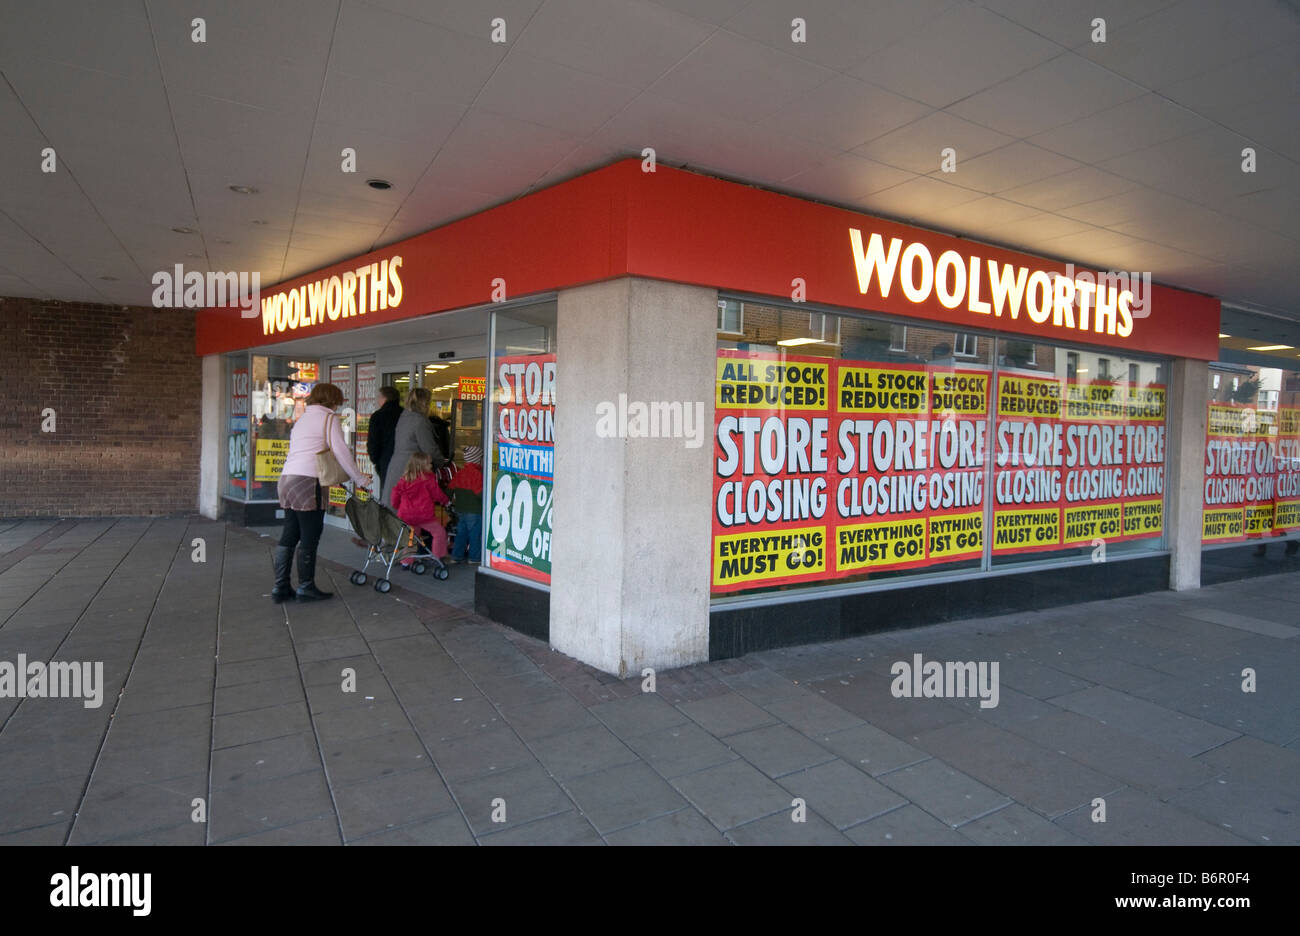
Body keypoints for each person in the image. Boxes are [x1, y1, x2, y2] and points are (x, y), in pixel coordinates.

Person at [273, 382, 368, 602]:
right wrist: (360, 479)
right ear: (331, 400)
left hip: (288, 479)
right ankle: (306, 587)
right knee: (310, 534)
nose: (337, 406)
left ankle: (281, 587)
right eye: (337, 402)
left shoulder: (302, 419)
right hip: (308, 481)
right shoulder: (328, 418)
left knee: (290, 532)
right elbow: (341, 451)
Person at [381, 387, 445, 506]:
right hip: (411, 472)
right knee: (410, 510)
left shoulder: (404, 417)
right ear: (425, 403)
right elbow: (429, 449)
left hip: (396, 469)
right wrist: (441, 462)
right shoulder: (420, 421)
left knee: (395, 509)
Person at [390, 452, 451, 564]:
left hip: (406, 515)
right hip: (424, 515)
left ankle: (406, 561)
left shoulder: (404, 479)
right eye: (429, 464)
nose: (431, 466)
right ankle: (437, 557)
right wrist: (446, 501)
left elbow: (395, 494)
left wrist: (396, 505)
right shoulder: (428, 479)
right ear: (422, 466)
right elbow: (437, 494)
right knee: (439, 533)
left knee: (411, 538)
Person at [447, 445, 484, 564]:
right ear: (477, 459)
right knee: (474, 535)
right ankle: (474, 558)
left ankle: (456, 556)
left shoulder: (460, 473)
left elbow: (449, 490)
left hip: (460, 510)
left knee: (461, 534)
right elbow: (481, 494)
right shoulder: (477, 474)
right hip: (474, 510)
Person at [366, 386, 402, 493]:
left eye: (379, 397)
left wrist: (376, 461)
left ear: (384, 398)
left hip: (385, 462)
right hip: (405, 463)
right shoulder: (405, 415)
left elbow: (373, 443)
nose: (377, 400)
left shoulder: (378, 416)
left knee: (389, 494)